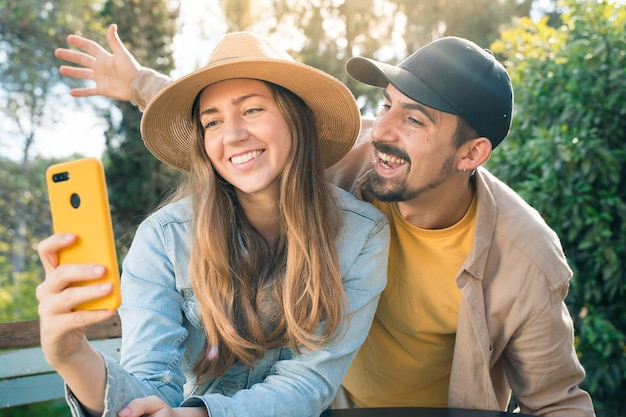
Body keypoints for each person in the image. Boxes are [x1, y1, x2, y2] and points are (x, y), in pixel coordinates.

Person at [54, 24, 595, 416]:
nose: (383, 130)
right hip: (330, 402)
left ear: (470, 154)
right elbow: (239, 130)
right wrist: (140, 83)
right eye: (385, 105)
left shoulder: (521, 254)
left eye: (414, 118)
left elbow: (556, 399)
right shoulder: (358, 155)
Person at [38, 30, 390, 417]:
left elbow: (307, 384)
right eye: (212, 122)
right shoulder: (164, 239)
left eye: (253, 110)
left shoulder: (362, 235)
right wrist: (72, 357)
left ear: (297, 120)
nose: (233, 136)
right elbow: (150, 388)